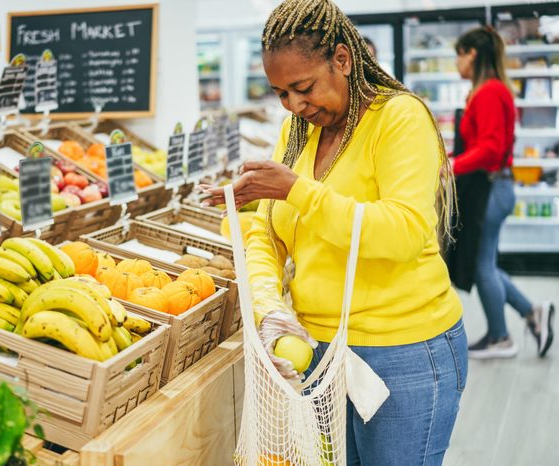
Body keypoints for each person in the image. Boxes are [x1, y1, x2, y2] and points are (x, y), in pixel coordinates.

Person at [202, 1, 466, 464]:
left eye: (303, 88)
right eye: (281, 93)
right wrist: (268, 308)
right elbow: (267, 231)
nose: (295, 105)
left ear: (342, 60)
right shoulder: (297, 131)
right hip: (321, 352)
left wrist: (297, 191)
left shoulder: (398, 119)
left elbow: (402, 232)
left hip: (402, 351)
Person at [453, 26, 555, 359]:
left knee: (482, 265)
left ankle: (500, 337)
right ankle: (532, 312)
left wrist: (450, 166)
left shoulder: (489, 92)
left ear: (473, 54)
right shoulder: (487, 90)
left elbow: (492, 149)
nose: (457, 62)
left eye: (459, 54)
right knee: (488, 264)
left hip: (492, 188)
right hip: (494, 186)